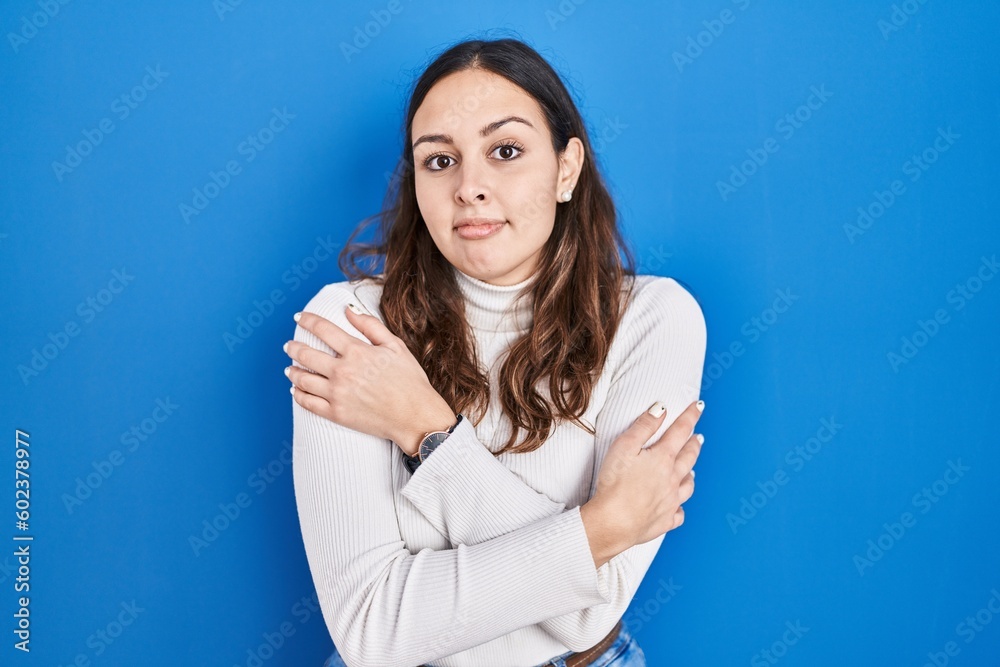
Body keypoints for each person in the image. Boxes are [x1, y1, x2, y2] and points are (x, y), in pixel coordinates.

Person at [282, 36, 707, 667]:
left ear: (567, 169)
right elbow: (373, 633)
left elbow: (594, 615)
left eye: (505, 151)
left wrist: (424, 429)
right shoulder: (349, 324)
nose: (470, 187)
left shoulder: (653, 318)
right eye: (439, 161)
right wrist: (597, 529)